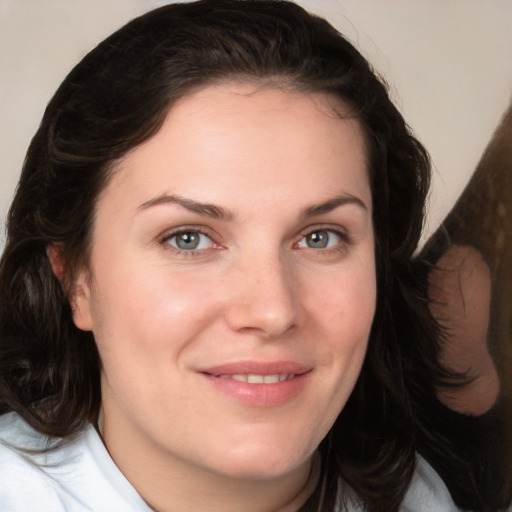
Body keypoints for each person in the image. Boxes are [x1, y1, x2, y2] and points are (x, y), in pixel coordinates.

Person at [0, 1, 478, 510]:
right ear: (76, 277)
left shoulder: (422, 498)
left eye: (320, 237)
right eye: (188, 238)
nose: (272, 312)